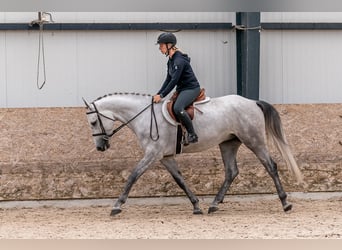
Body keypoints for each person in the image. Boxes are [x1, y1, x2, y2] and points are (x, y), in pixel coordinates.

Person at [153, 32, 201, 144]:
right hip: (182, 89)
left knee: (177, 108)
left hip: (191, 89)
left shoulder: (179, 61)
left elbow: (174, 81)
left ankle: (192, 134)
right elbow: (168, 79)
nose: (160, 48)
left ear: (169, 45)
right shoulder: (170, 60)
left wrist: (162, 95)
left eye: (161, 45)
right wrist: (158, 94)